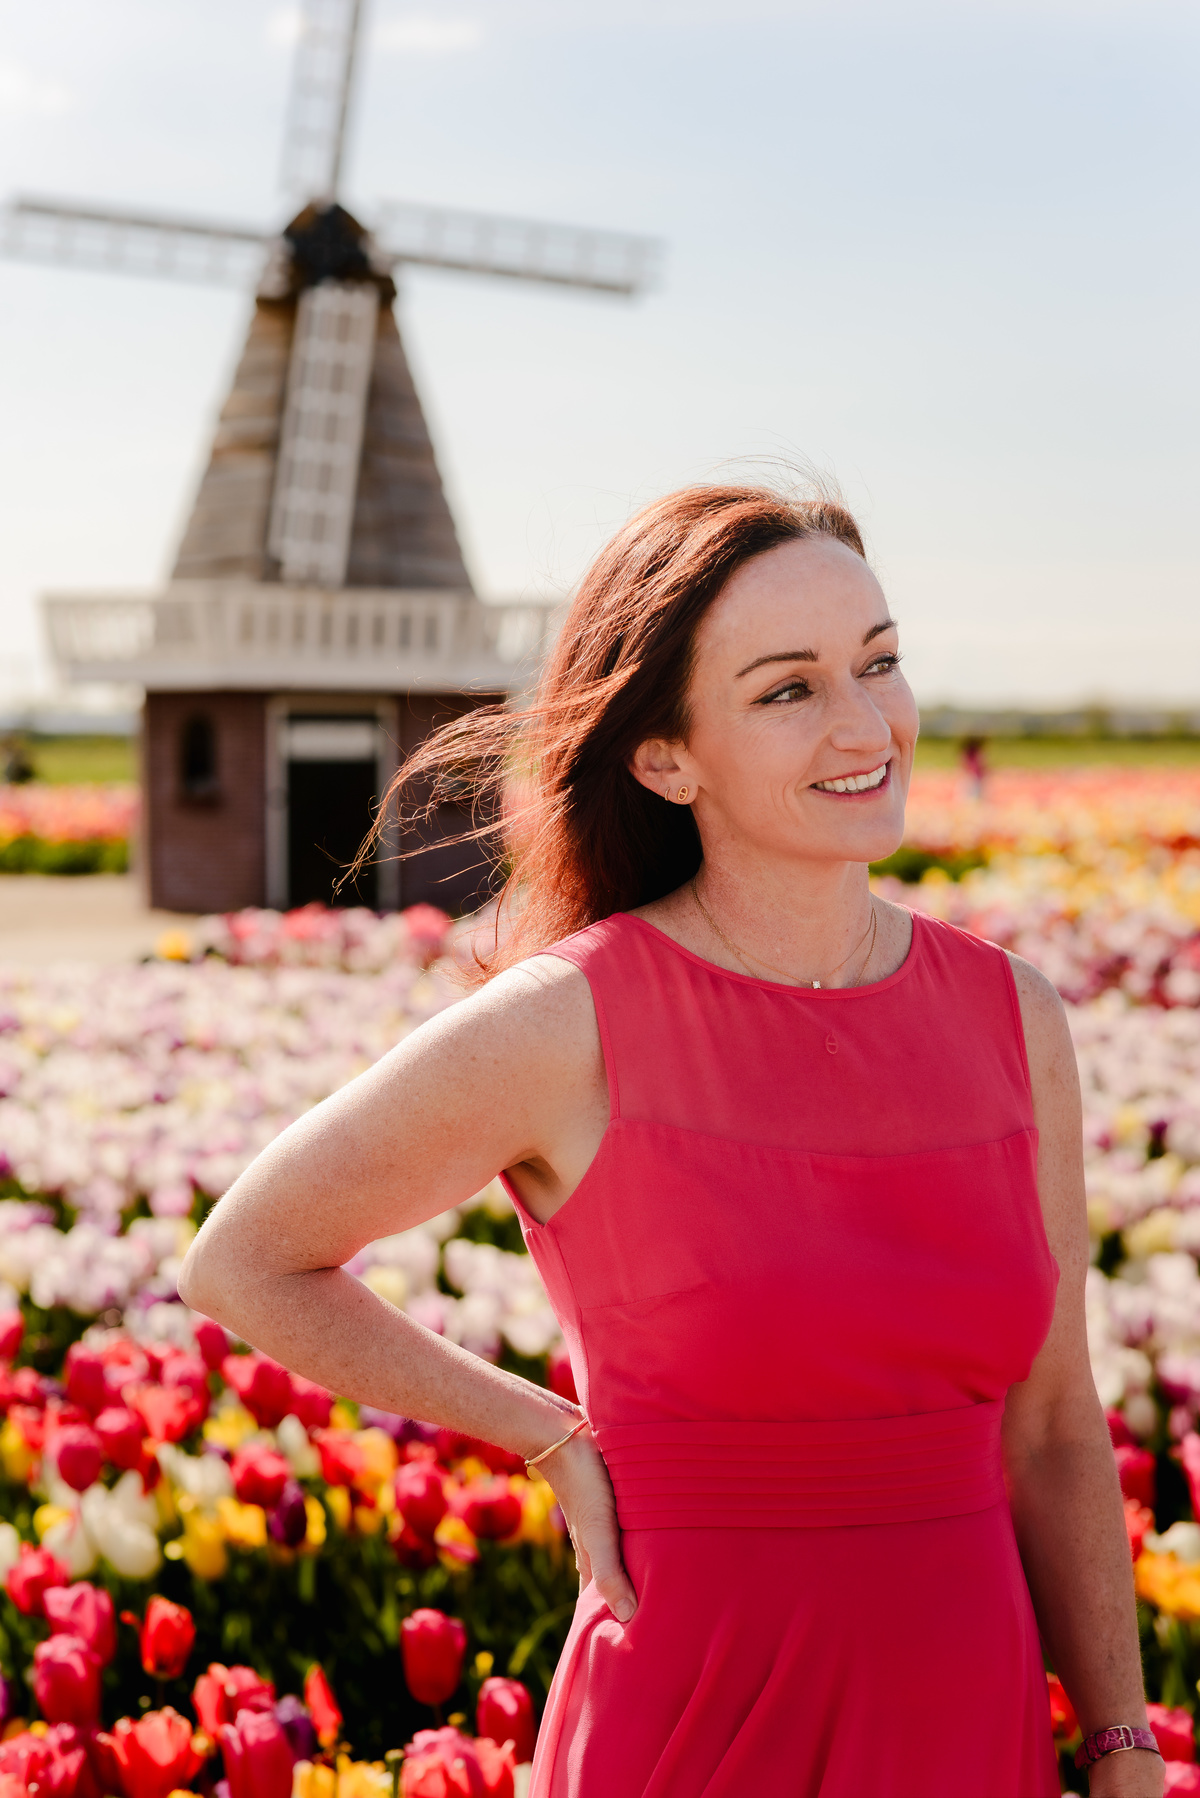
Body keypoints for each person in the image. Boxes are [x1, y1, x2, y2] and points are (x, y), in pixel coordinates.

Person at [179, 484, 1159, 1798]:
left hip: (962, 1718)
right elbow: (246, 1257)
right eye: (788, 690)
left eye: (878, 662)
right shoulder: (572, 1020)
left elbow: (1048, 1423)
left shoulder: (1013, 1016)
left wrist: (1120, 1739)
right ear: (665, 757)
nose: (868, 724)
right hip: (696, 1718)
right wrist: (541, 1429)